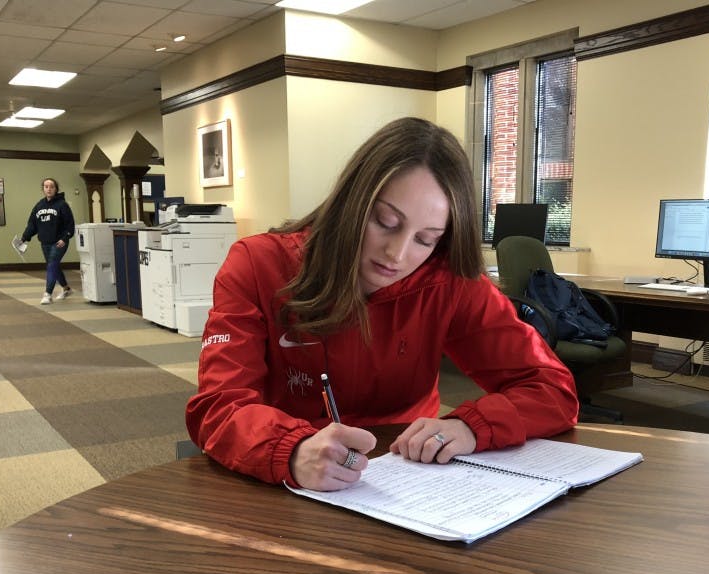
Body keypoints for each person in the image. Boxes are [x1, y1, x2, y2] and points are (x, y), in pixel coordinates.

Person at [186, 117, 580, 491]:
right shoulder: (258, 265)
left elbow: (552, 389)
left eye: (425, 240)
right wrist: (291, 450)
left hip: (406, 477)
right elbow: (219, 407)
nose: (397, 253)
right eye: (385, 222)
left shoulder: (449, 281)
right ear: (352, 202)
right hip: (284, 484)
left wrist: (472, 426)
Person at [21, 177, 75, 305]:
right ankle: (66, 289)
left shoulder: (62, 205)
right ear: (43, 189)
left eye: (51, 186)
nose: (49, 189)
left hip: (59, 242)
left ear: (56, 189)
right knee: (54, 266)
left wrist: (65, 238)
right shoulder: (39, 206)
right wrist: (24, 238)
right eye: (46, 186)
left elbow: (70, 224)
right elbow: (32, 225)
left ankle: (47, 294)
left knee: (51, 265)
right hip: (45, 242)